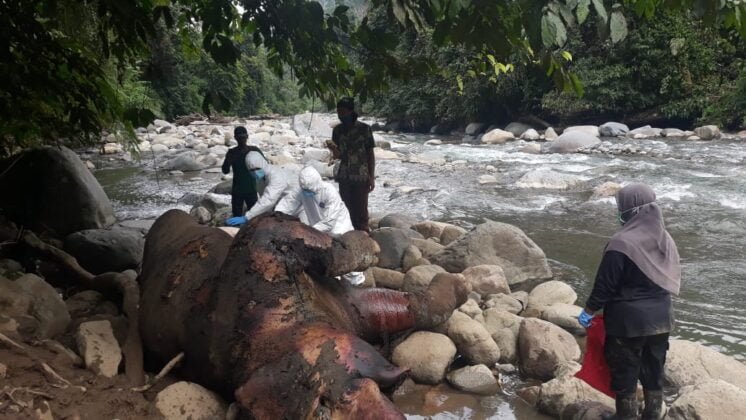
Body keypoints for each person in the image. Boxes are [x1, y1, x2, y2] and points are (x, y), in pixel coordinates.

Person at [577, 183, 681, 420]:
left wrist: (589, 311)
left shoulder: (621, 243)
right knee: (654, 372)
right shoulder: (666, 240)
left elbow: (605, 285)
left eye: (620, 208)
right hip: (661, 321)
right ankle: (653, 416)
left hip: (627, 324)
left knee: (625, 375)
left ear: (630, 210)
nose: (618, 213)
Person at [276, 166, 364, 285]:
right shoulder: (301, 191)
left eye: (310, 190)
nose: (307, 192)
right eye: (305, 189)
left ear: (317, 183)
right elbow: (288, 204)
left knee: (346, 257)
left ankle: (357, 284)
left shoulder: (329, 191)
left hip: (338, 227)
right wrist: (276, 216)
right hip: (317, 227)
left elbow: (329, 221)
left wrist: (308, 231)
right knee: (326, 259)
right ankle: (334, 286)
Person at [326, 97, 375, 232]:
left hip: (361, 175)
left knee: (361, 209)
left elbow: (370, 154)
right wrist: (333, 149)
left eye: (343, 112)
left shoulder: (365, 129)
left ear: (351, 111)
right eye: (338, 112)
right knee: (345, 208)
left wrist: (372, 176)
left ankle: (364, 235)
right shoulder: (337, 131)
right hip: (344, 175)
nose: (340, 115)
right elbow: (338, 156)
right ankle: (349, 234)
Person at [225, 151, 297, 226]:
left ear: (263, 164)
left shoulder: (276, 176)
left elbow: (269, 200)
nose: (255, 172)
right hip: (284, 200)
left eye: (257, 169)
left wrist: (247, 217)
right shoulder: (261, 179)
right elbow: (264, 198)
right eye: (252, 170)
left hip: (297, 199)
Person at [221, 126, 265, 217]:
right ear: (235, 138)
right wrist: (228, 160)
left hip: (249, 190)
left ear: (247, 137)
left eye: (243, 137)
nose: (241, 140)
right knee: (245, 216)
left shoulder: (253, 150)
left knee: (252, 216)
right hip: (241, 190)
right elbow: (225, 171)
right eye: (240, 137)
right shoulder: (233, 152)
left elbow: (265, 167)